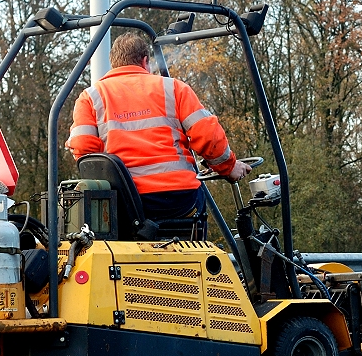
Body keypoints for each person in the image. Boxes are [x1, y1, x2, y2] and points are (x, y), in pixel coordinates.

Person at [66, 32, 251, 230]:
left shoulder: (89, 97)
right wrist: (229, 167)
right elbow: (208, 136)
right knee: (197, 215)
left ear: (114, 63)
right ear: (145, 61)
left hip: (124, 203)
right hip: (178, 198)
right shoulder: (174, 89)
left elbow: (83, 149)